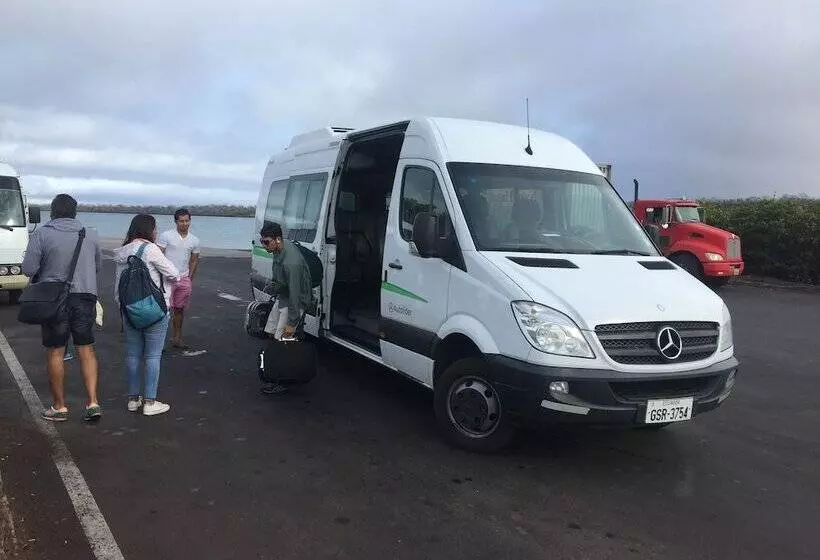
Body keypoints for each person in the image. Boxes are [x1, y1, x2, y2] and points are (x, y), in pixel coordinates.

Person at [21, 194, 102, 422]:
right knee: (86, 349)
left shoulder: (42, 234)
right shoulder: (90, 234)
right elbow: (96, 266)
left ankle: (59, 406)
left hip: (54, 299)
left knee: (56, 351)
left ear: (53, 212)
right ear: (75, 213)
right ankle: (93, 403)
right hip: (85, 297)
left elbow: (28, 269)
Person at [113, 214, 180, 416]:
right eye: (155, 228)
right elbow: (174, 273)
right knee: (153, 355)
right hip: (154, 310)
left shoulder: (122, 251)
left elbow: (118, 286)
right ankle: (150, 402)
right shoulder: (150, 249)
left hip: (129, 310)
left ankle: (133, 400)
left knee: (132, 354)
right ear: (149, 230)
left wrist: (123, 307)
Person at [259, 222, 312, 395]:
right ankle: (276, 370)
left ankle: (284, 380)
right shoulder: (278, 249)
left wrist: (292, 322)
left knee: (284, 339)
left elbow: (296, 296)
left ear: (277, 240)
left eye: (266, 242)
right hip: (284, 296)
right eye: (262, 241)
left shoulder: (291, 263)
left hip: (294, 301)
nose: (263, 245)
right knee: (270, 332)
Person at [156, 208, 201, 350]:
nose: (184, 223)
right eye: (181, 221)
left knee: (179, 309)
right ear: (176, 221)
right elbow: (157, 255)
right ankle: (159, 342)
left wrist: (189, 277)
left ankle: (177, 338)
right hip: (167, 278)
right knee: (163, 310)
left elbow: (194, 259)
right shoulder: (166, 236)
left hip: (183, 278)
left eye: (187, 221)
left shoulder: (194, 240)